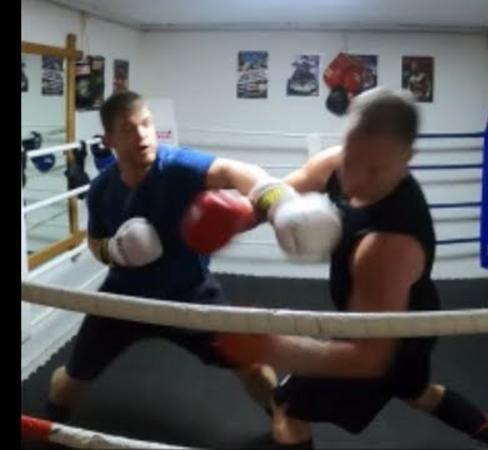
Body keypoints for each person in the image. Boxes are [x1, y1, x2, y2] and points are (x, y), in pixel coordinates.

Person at [214, 88, 488, 449]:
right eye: (352, 157)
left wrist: (271, 346)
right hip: (412, 314)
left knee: (287, 406)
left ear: (407, 159)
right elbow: (279, 196)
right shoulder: (335, 164)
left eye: (374, 169)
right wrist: (231, 219)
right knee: (416, 392)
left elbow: (367, 360)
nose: (355, 179)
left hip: (391, 338)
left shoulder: (390, 243)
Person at [46, 90, 342, 422]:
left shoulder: (175, 166)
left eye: (146, 124)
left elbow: (235, 171)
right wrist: (115, 251)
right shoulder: (102, 189)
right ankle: (50, 428)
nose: (142, 135)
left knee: (253, 368)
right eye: (128, 129)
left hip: (189, 292)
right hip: (124, 297)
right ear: (109, 140)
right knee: (68, 383)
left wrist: (280, 204)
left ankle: (283, 422)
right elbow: (94, 241)